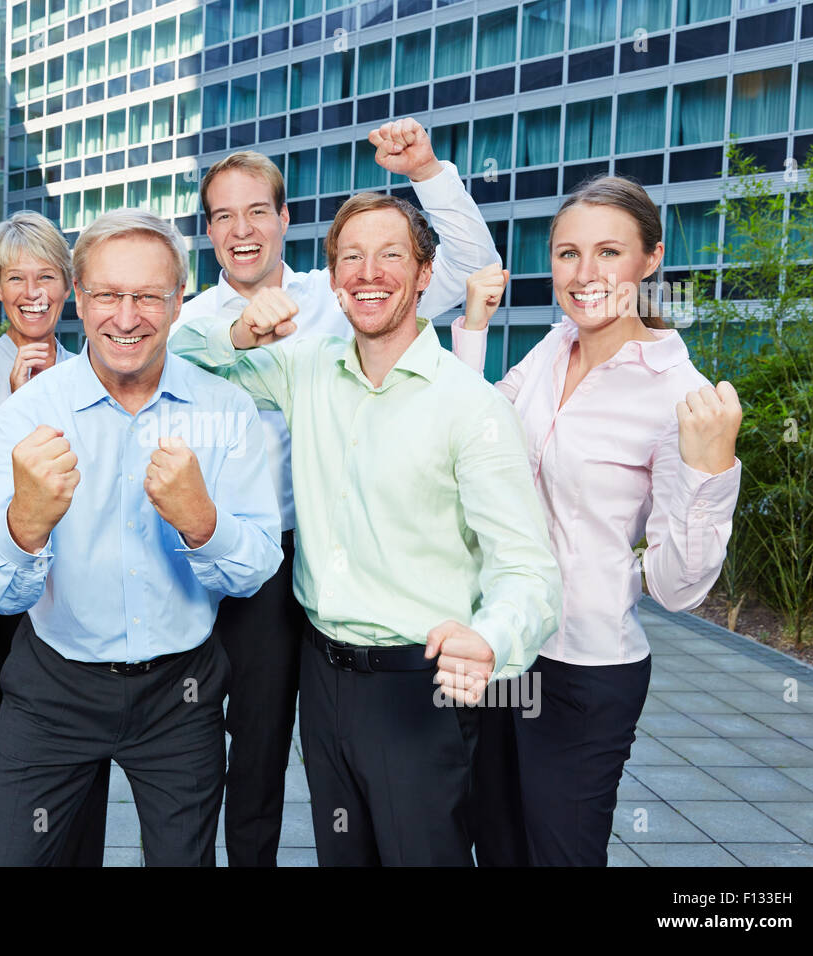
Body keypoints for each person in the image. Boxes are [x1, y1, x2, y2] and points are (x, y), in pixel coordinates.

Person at [169, 193, 562, 866]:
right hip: (325, 680)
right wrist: (240, 329)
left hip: (418, 687)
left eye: (390, 256)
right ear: (330, 280)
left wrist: (491, 638)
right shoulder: (306, 366)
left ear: (423, 273)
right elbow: (180, 350)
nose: (368, 272)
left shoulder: (472, 406)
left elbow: (530, 573)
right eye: (351, 257)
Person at [0, 209, 281, 866]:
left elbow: (255, 568)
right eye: (108, 294)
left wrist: (203, 523)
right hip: (53, 688)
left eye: (148, 296)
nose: (127, 316)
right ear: (79, 298)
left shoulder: (225, 412)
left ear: (178, 302)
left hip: (181, 694)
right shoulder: (27, 414)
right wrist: (25, 523)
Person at [452, 175, 743, 866]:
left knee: (560, 856)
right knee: (495, 845)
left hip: (584, 666)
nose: (585, 275)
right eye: (566, 254)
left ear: (650, 260)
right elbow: (474, 437)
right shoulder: (554, 348)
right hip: (505, 643)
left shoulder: (679, 395)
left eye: (608, 252)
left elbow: (677, 589)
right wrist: (472, 329)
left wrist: (710, 473)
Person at [0, 211, 108, 867]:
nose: (32, 291)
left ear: (68, 285)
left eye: (46, 275)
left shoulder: (97, 372)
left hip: (73, 615)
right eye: (16, 277)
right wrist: (18, 412)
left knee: (82, 775)